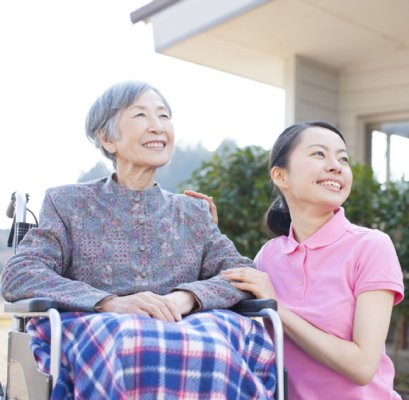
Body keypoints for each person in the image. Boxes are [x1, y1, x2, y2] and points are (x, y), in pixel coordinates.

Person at [1, 80, 276, 399]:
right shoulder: (68, 203)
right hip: (106, 334)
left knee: (213, 342)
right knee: (129, 338)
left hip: (187, 338)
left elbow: (241, 274)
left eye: (164, 116)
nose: (157, 127)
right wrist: (109, 303)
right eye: (141, 115)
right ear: (107, 137)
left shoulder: (193, 213)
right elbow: (19, 273)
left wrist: (185, 298)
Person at [187, 121, 404, 399]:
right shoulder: (269, 256)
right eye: (319, 154)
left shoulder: (371, 246)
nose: (336, 165)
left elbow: (362, 367)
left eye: (343, 158)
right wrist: (205, 237)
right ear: (280, 176)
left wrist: (277, 308)